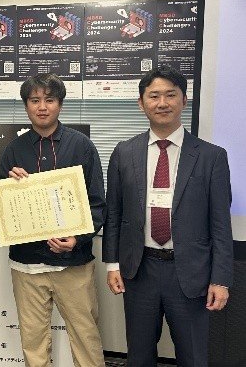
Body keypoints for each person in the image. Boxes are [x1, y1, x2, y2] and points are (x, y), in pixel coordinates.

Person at [103, 65, 233, 366]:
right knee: (139, 356)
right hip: (139, 270)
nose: (162, 103)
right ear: (141, 103)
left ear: (184, 100)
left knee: (193, 356)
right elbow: (114, 213)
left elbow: (220, 224)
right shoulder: (124, 152)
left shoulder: (212, 156)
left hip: (190, 272)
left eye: (170, 95)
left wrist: (221, 279)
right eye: (154, 96)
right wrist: (112, 263)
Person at [0, 73, 105, 367]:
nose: (42, 107)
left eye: (49, 100)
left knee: (85, 337)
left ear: (60, 104)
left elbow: (97, 204)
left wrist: (77, 239)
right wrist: (10, 187)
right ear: (26, 106)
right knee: (33, 343)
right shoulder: (14, 150)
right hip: (27, 264)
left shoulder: (81, 146)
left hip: (73, 264)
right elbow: (1, 206)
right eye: (35, 100)